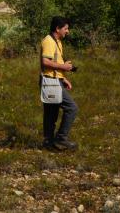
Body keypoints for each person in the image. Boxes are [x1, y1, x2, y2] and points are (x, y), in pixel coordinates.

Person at [40, 16, 78, 151]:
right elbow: (45, 62)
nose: (68, 31)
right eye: (66, 28)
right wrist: (64, 68)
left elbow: (54, 63)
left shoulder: (57, 42)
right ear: (57, 28)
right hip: (50, 81)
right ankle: (61, 138)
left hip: (55, 80)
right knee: (72, 108)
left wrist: (63, 78)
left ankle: (49, 142)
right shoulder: (49, 41)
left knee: (51, 113)